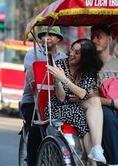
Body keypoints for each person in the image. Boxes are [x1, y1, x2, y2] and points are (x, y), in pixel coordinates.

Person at [46, 38, 106, 165]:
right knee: (86, 122)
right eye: (72, 49)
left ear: (85, 57)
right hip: (59, 106)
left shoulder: (89, 71)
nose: (72, 54)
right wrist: (59, 79)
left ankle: (97, 148)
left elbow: (83, 94)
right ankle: (92, 162)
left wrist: (65, 80)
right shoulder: (60, 65)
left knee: (95, 101)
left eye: (77, 52)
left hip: (78, 103)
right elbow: (61, 98)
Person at [21, 26, 67, 166]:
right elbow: (30, 72)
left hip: (56, 101)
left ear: (58, 39)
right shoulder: (32, 53)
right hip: (33, 102)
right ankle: (32, 162)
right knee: (35, 130)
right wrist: (33, 80)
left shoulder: (64, 58)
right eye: (44, 35)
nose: (47, 38)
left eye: (52, 35)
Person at [91, 24, 118, 165]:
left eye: (98, 37)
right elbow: (89, 96)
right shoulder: (89, 65)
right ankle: (115, 161)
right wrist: (112, 103)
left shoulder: (116, 63)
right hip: (101, 107)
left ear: (109, 38)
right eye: (92, 37)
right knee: (107, 114)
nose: (95, 40)